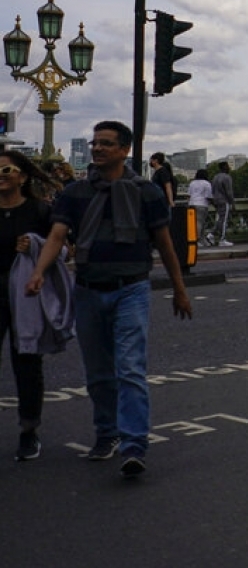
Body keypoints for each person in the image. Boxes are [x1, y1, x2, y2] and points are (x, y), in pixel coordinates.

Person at [27, 120, 193, 478]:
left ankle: (134, 445)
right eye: (94, 142)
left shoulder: (146, 192)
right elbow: (57, 235)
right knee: (99, 374)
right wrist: (39, 271)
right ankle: (107, 433)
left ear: (124, 150)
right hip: (87, 289)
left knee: (130, 368)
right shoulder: (75, 193)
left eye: (106, 143)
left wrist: (179, 289)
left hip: (131, 288)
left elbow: (164, 243)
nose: (97, 148)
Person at [0, 151, 59, 460]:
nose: (1, 175)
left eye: (7, 169)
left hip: (24, 292)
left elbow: (61, 246)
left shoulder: (39, 211)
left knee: (26, 362)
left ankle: (28, 430)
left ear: (22, 177)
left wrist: (34, 243)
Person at [210, 161, 235, 247]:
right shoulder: (227, 177)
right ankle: (222, 239)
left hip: (216, 200)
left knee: (220, 219)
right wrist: (232, 202)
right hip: (224, 201)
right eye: (228, 166)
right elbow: (229, 191)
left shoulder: (215, 177)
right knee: (224, 220)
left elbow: (212, 191)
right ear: (224, 167)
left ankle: (211, 235)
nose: (229, 168)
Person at [187, 168, 213, 244]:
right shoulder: (206, 183)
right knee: (200, 222)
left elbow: (189, 195)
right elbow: (208, 196)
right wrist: (214, 203)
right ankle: (198, 239)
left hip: (192, 203)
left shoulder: (192, 183)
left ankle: (201, 239)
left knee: (194, 223)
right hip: (202, 204)